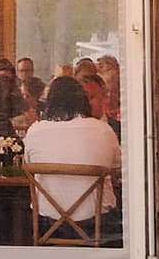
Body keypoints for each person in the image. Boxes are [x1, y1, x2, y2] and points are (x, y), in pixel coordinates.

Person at [21, 72, 123, 229]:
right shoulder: (103, 130)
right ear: (82, 100)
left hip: (49, 226)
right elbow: (118, 169)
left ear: (50, 103)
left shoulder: (35, 131)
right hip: (98, 225)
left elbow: (29, 166)